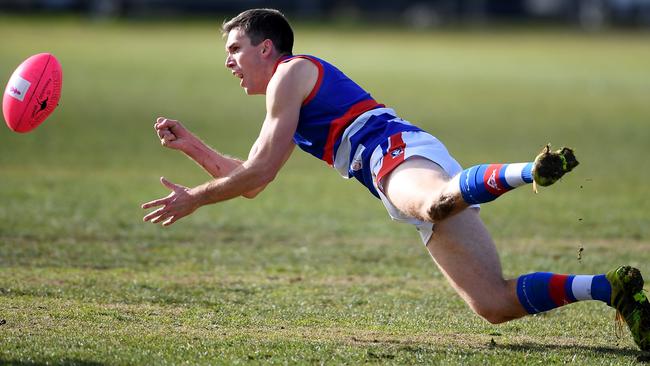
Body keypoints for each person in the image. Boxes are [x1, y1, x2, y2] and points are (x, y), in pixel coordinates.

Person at [142, 8, 650, 351]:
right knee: (493, 304)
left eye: (234, 49)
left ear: (267, 48)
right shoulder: (286, 91)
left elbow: (259, 171)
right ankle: (611, 288)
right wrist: (194, 147)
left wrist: (195, 201)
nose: (228, 62)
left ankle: (529, 170)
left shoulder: (289, 74)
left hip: (393, 153)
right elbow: (251, 181)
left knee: (431, 204)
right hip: (392, 164)